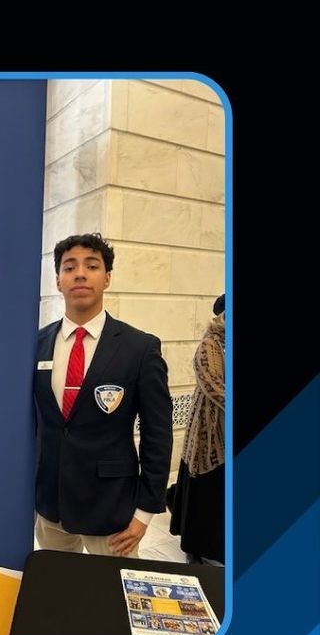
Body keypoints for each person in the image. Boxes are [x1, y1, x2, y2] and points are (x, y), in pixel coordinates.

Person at [33, 233, 172, 557]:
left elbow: (158, 434)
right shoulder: (37, 343)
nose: (80, 273)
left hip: (112, 511)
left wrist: (144, 514)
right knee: (61, 592)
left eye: (91, 266)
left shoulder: (140, 348)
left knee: (110, 601)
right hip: (51, 507)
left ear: (107, 278)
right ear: (58, 280)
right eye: (70, 267)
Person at [168, 295, 226, 564]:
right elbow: (213, 384)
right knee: (207, 489)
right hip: (208, 431)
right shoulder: (211, 343)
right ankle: (197, 546)